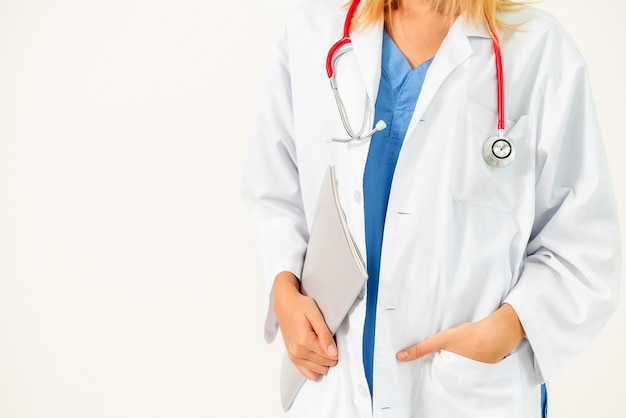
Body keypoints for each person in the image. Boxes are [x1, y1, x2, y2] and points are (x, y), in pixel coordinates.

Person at [242, 0, 622, 416]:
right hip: (333, 385)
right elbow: (275, 193)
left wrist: (511, 325)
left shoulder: (540, 51)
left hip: (467, 393)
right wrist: (284, 290)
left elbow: (584, 246)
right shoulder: (312, 35)